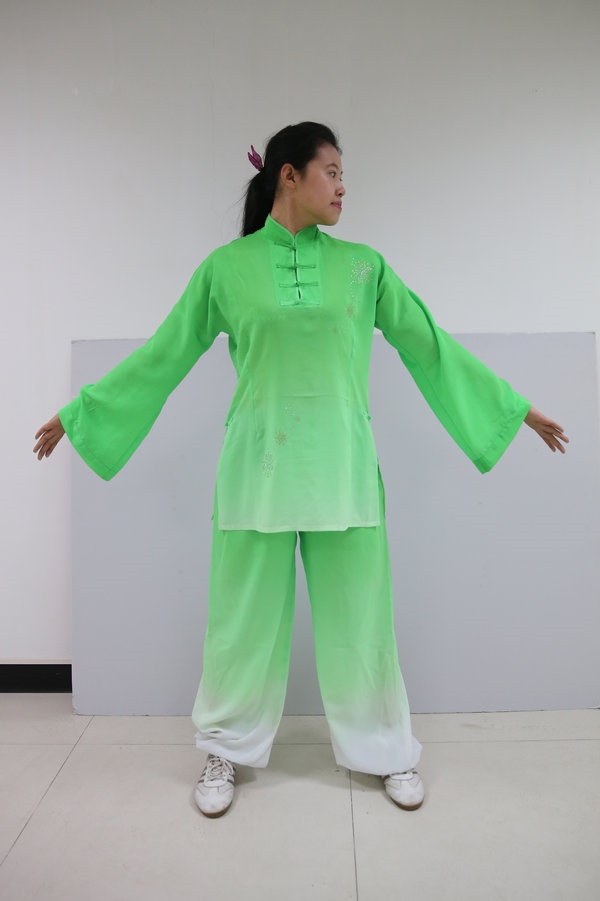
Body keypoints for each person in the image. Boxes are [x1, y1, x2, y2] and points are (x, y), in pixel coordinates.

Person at [34, 122, 568, 818]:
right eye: (332, 171)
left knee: (362, 621)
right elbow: (164, 354)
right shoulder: (226, 269)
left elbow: (429, 346)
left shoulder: (365, 267)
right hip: (256, 470)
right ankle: (225, 747)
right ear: (289, 175)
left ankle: (386, 747)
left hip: (343, 468)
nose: (343, 186)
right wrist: (82, 413)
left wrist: (513, 409)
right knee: (241, 621)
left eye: (344, 174)